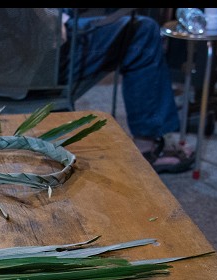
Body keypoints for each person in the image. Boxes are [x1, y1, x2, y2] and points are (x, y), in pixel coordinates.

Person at [62, 10, 193, 174]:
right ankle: (146, 144)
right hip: (45, 50)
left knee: (138, 26)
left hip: (34, 44)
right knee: (143, 31)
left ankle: (151, 134)